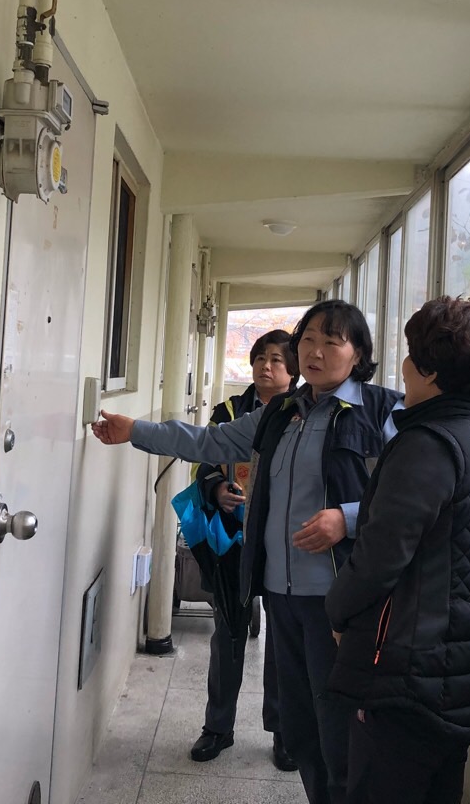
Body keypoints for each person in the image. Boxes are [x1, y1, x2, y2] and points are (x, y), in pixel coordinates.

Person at [93, 300, 402, 804]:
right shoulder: (282, 412)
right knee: (299, 728)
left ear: (359, 353)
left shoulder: (383, 411)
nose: (316, 352)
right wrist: (136, 431)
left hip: (339, 600)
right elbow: (209, 441)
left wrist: (345, 518)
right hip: (281, 591)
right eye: (308, 340)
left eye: (332, 342)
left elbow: (406, 496)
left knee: (339, 728)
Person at [324, 297, 470, 804]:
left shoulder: (426, 445)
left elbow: (379, 558)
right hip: (459, 668)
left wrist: (338, 611)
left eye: (412, 355)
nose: (405, 366)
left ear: (431, 371)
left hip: (407, 673)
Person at [188, 329, 297, 770]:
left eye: (276, 360)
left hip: (284, 545)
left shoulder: (302, 414)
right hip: (232, 542)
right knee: (228, 633)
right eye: (260, 358)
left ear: (293, 370)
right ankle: (218, 727)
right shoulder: (230, 412)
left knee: (283, 642)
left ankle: (284, 732)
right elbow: (203, 464)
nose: (265, 366)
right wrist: (217, 489)